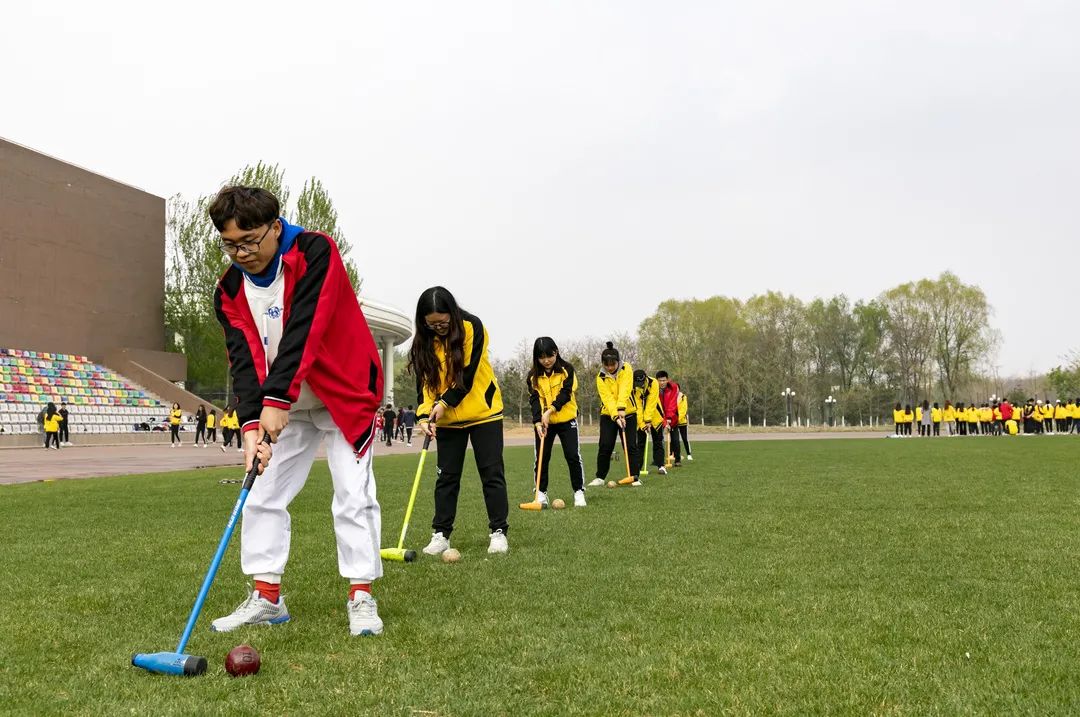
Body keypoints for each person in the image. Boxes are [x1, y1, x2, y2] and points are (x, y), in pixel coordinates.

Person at [208, 185, 385, 637]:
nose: (242, 254)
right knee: (261, 493)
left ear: (275, 226)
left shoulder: (315, 251)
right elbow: (243, 362)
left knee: (352, 494)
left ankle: (361, 594)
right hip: (284, 403)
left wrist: (276, 400)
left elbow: (306, 329)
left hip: (343, 393)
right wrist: (251, 424)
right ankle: (268, 598)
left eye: (250, 241)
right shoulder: (229, 289)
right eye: (230, 244)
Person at [411, 286, 509, 556]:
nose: (438, 328)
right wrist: (424, 414)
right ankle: (441, 533)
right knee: (446, 478)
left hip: (483, 413)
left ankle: (498, 531)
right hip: (447, 421)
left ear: (452, 314)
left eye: (442, 323)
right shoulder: (424, 341)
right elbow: (425, 383)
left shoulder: (472, 326)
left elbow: (467, 374)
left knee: (491, 474)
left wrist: (443, 403)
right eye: (432, 324)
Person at [527, 337, 586, 508]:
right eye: (541, 357)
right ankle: (540, 493)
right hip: (545, 423)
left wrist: (550, 410)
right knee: (542, 457)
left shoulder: (567, 370)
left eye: (549, 356)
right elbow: (535, 400)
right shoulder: (533, 376)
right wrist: (537, 422)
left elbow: (566, 393)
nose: (546, 360)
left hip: (567, 419)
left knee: (572, 455)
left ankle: (578, 492)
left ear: (556, 352)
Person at [588, 342, 642, 487]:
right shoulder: (600, 377)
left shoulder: (626, 368)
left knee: (630, 445)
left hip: (628, 412)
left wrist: (622, 408)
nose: (610, 368)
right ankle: (600, 477)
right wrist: (616, 415)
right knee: (605, 445)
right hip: (608, 414)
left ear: (618, 361)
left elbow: (625, 388)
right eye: (607, 365)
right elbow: (607, 399)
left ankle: (634, 476)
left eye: (613, 364)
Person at [634, 369, 666, 475]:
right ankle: (637, 468)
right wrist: (642, 424)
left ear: (646, 378)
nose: (640, 386)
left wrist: (648, 420)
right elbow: (637, 407)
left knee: (658, 441)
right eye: (638, 384)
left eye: (641, 383)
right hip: (641, 419)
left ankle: (661, 466)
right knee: (640, 443)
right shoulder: (633, 387)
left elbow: (652, 403)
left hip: (655, 416)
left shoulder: (654, 383)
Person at [656, 371, 682, 466]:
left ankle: (677, 460)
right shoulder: (654, 389)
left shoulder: (673, 387)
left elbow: (672, 404)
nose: (662, 382)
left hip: (672, 418)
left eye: (664, 380)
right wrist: (664, 422)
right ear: (657, 381)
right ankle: (659, 460)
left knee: (675, 440)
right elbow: (657, 407)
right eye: (660, 381)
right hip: (659, 418)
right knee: (659, 440)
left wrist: (669, 419)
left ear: (667, 380)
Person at [677, 390, 692, 460]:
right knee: (674, 439)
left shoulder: (683, 397)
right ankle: (673, 454)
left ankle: (689, 454)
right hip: (674, 422)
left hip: (682, 422)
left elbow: (683, 410)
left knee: (684, 438)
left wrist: (677, 419)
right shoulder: (671, 396)